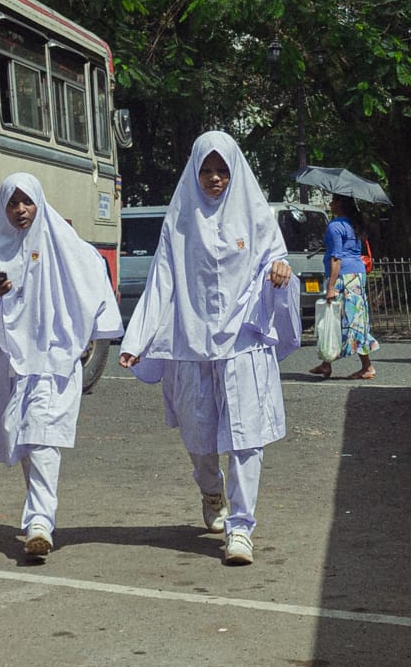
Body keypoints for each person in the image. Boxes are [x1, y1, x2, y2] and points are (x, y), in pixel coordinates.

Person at [119, 131, 300, 566]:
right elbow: (162, 278)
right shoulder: (181, 219)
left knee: (245, 439)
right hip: (190, 344)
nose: (215, 178)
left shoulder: (256, 216)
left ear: (234, 170)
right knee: (199, 440)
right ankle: (210, 488)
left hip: (243, 342)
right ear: (194, 172)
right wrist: (137, 338)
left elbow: (278, 262)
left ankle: (241, 529)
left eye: (222, 170)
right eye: (206, 170)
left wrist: (280, 271)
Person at [0, 171, 122, 563]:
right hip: (10, 360)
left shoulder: (63, 245)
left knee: (44, 436)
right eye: (12, 203)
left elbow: (93, 276)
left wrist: (87, 336)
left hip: (51, 359)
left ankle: (40, 522)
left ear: (38, 203)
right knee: (25, 439)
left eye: (26, 201)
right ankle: (38, 516)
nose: (20, 210)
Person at [307, 193, 379, 380]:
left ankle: (367, 366)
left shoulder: (335, 226)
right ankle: (326, 364)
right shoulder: (354, 225)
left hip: (343, 277)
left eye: (333, 200)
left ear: (340, 203)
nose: (330, 203)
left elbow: (336, 257)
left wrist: (330, 286)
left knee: (344, 320)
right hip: (357, 274)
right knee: (344, 319)